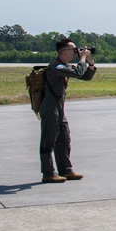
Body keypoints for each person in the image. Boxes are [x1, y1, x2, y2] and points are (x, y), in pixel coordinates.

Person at [38, 37, 97, 183]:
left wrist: (90, 62)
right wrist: (82, 58)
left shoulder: (64, 66)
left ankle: (65, 170)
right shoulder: (56, 67)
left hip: (59, 107)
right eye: (73, 49)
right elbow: (78, 72)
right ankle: (48, 173)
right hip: (50, 107)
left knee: (64, 138)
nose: (76, 51)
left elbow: (85, 77)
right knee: (48, 139)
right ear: (63, 52)